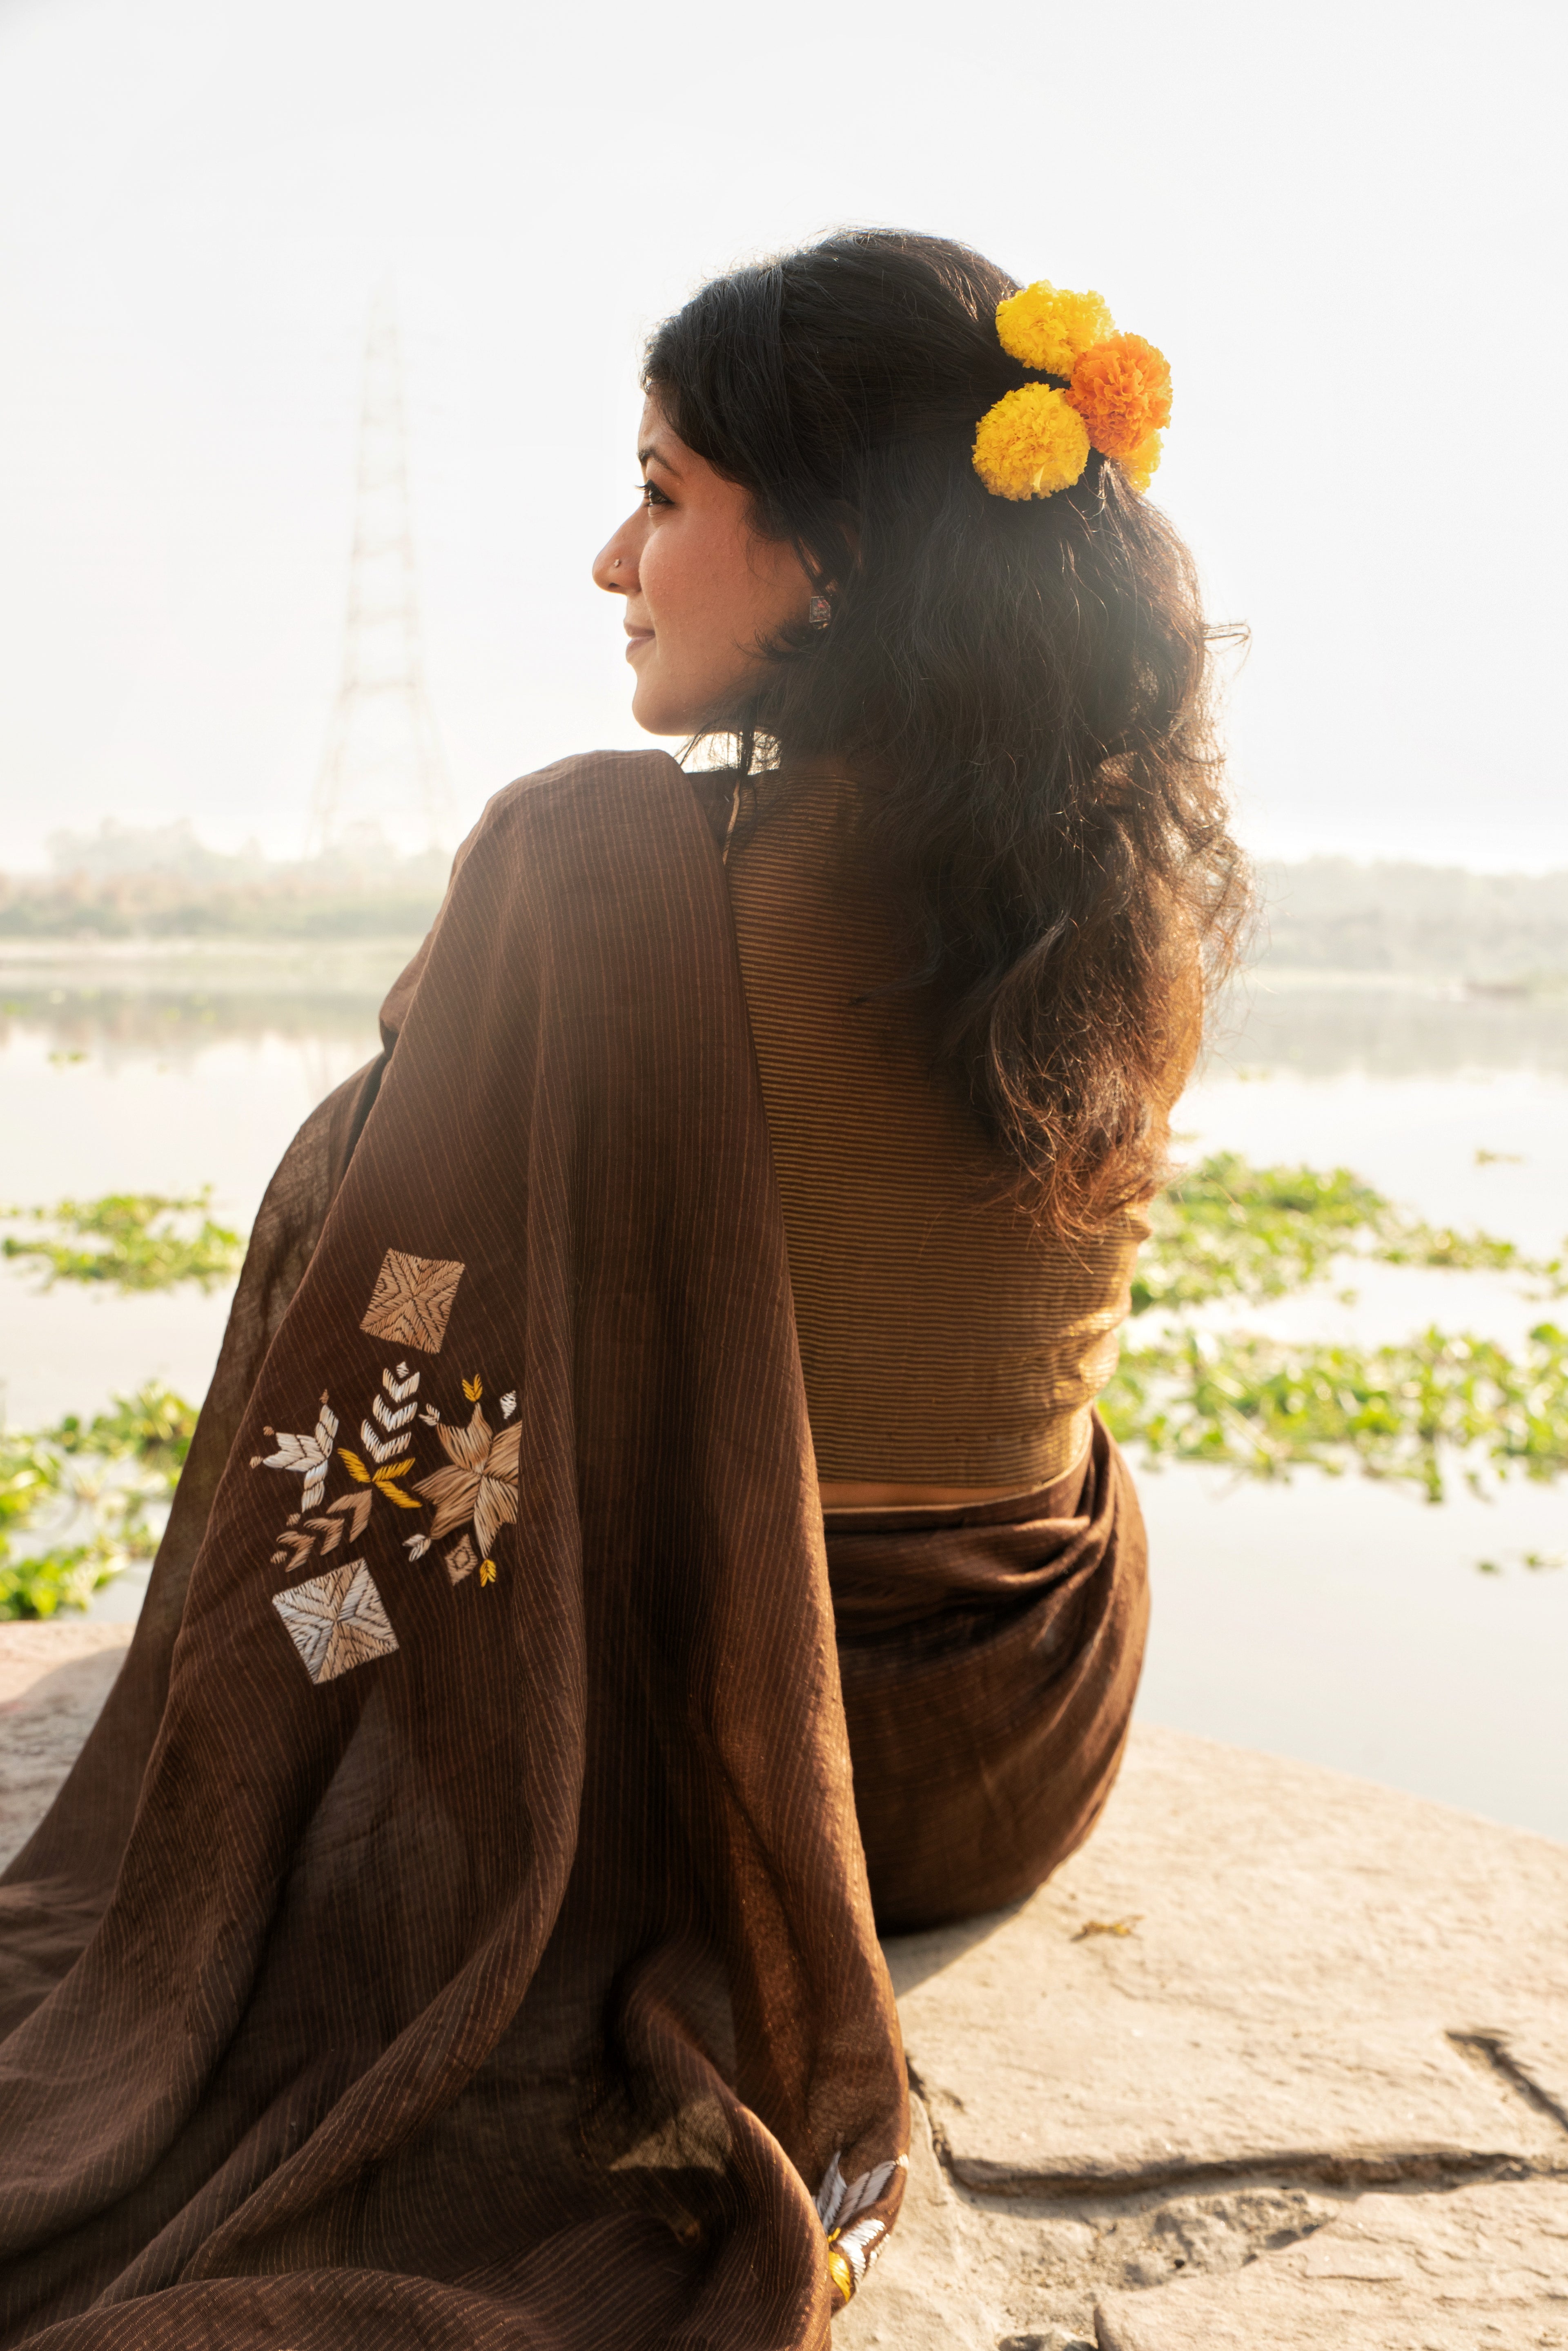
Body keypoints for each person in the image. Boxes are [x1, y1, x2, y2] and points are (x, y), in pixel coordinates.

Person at [0, 231, 1243, 2349]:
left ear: (835, 566)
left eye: (664, 493)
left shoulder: (596, 863)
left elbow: (389, 1317)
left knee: (363, 1189)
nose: (611, 558)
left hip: (697, 1785)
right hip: (1010, 1739)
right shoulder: (1123, 883)